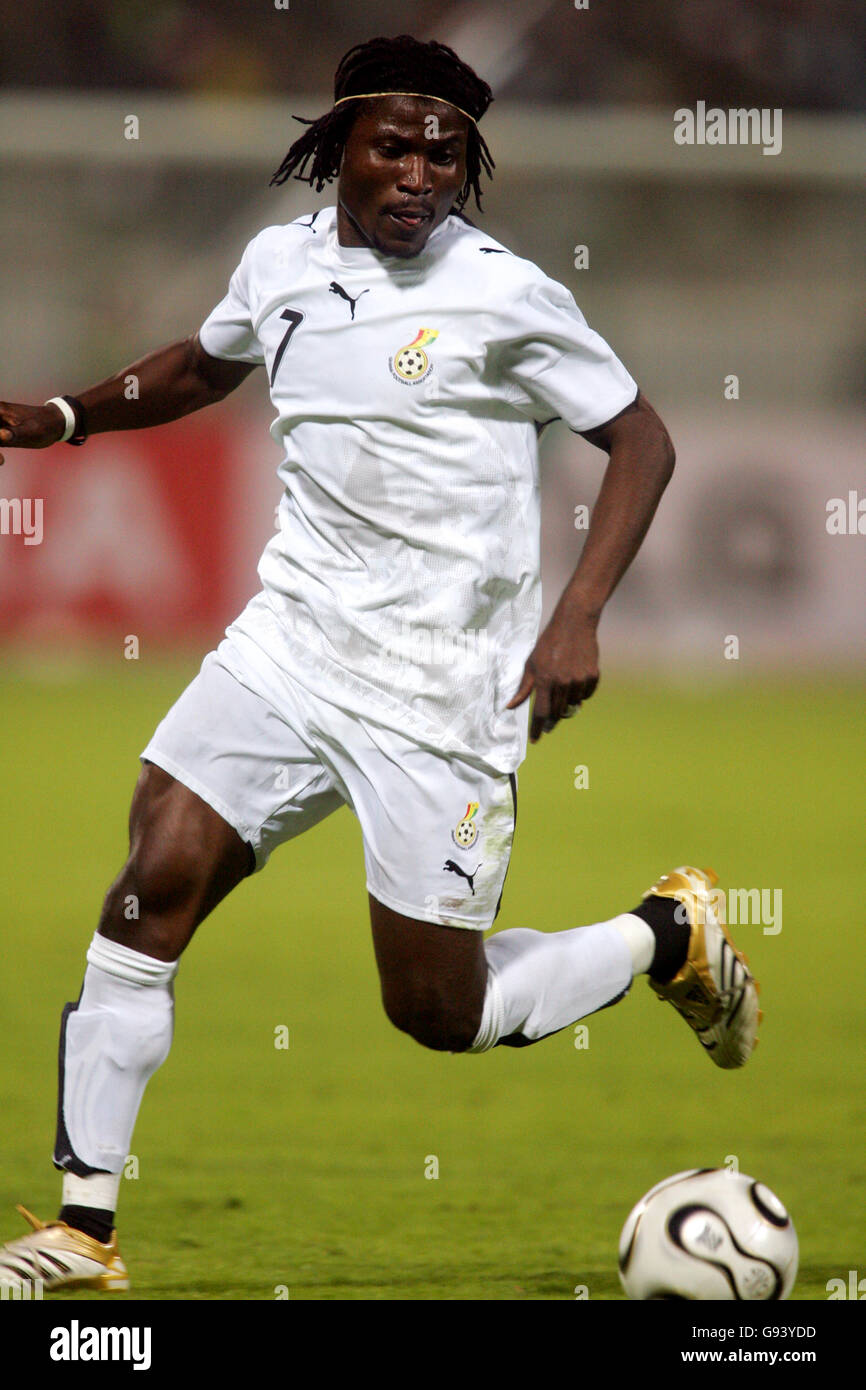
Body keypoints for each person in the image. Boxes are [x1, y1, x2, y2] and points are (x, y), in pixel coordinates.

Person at [0, 34, 759, 1295]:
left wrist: (574, 616)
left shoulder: (505, 293)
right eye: (393, 147)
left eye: (444, 154)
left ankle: (662, 933)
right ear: (336, 148)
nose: (418, 174)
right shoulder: (278, 263)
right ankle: (85, 1233)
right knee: (154, 880)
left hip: (441, 687)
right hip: (290, 644)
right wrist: (67, 416)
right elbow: (204, 364)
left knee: (437, 1012)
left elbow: (640, 440)